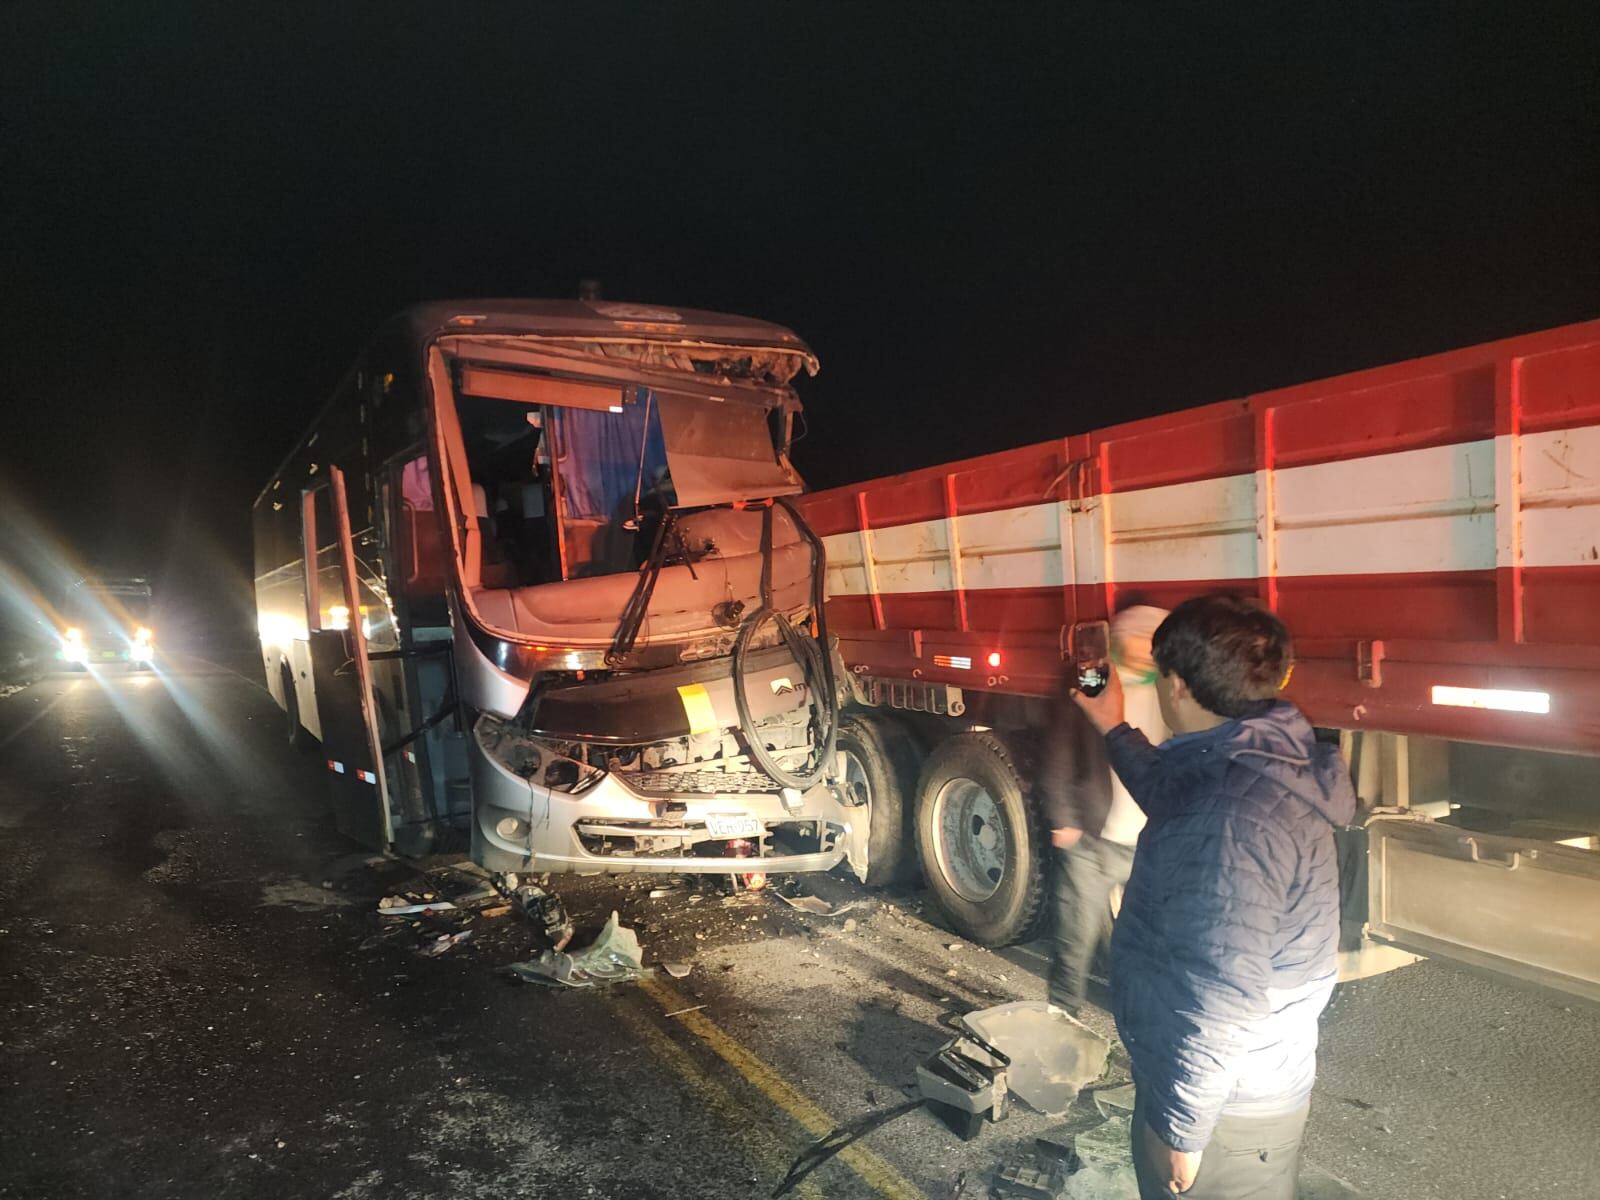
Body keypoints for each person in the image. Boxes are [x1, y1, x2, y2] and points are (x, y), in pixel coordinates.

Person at [1072, 594, 1356, 1199]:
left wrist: (1183, 1130)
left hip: (1225, 1107)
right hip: (1237, 1084)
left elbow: (1220, 989)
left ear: (1176, 684)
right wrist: (1114, 727)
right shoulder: (1256, 761)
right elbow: (1177, 794)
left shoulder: (1230, 817)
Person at [1039, 605, 1170, 1014]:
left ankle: (1136, 1012)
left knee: (1143, 937)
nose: (1146, 650)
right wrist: (1063, 818)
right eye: (1139, 639)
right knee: (1075, 936)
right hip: (1093, 840)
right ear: (1119, 640)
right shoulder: (1090, 683)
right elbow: (1057, 751)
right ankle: (1063, 1016)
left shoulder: (1173, 689)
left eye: (1154, 641)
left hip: (1149, 842)